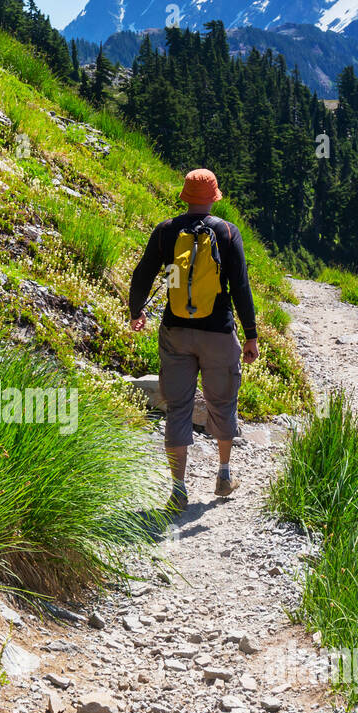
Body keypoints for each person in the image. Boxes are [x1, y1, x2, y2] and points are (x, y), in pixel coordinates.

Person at [128, 169, 260, 513]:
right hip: (218, 333)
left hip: (176, 331)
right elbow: (241, 287)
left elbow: (143, 273)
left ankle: (178, 488)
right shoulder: (228, 233)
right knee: (222, 401)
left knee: (178, 408)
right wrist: (251, 335)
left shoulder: (166, 231)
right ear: (215, 197)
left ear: (185, 196)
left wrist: (136, 311)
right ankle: (224, 474)